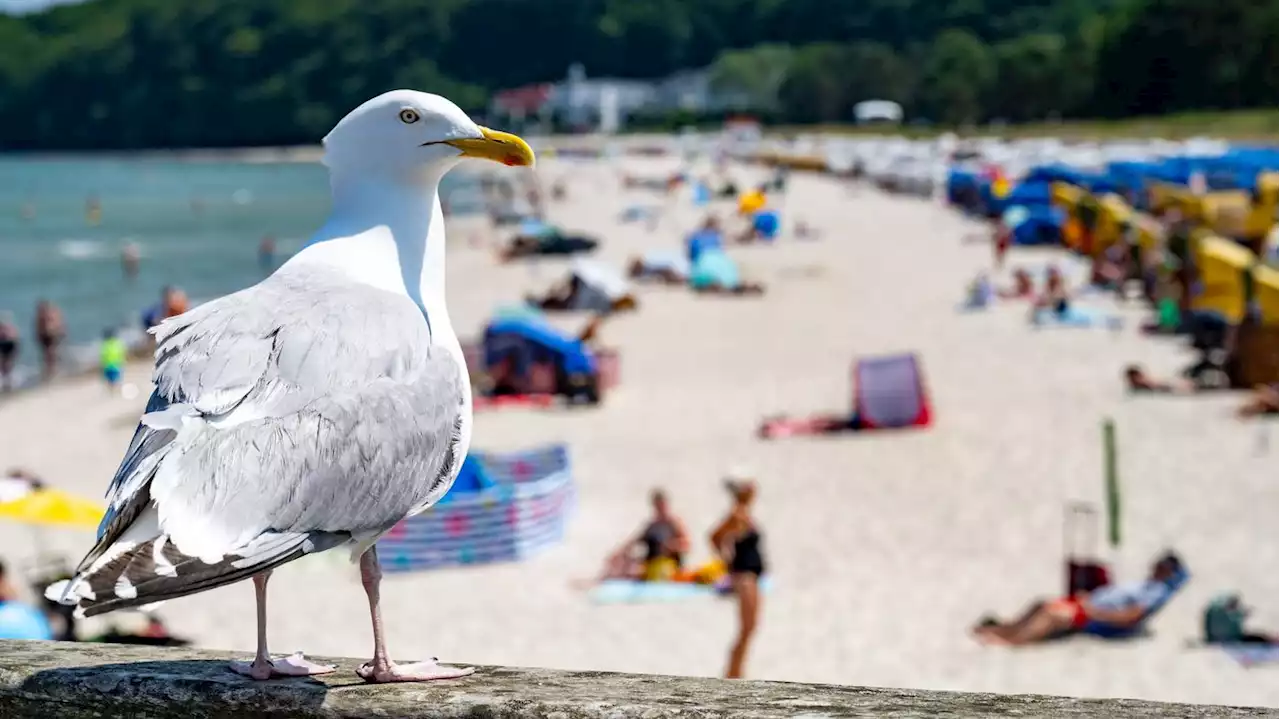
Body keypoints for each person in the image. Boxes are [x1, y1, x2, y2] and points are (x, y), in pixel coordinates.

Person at [973, 552, 1185, 646]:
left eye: (1161, 564)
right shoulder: (1147, 584)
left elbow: (1130, 617)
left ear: (1167, 571)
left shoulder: (1155, 592)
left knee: (1051, 613)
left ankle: (1014, 640)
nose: (1154, 565)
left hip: (1094, 617)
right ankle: (1005, 629)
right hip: (1088, 605)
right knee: (1042, 603)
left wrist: (1093, 611)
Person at [710, 476, 766, 679]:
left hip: (751, 576)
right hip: (744, 576)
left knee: (750, 628)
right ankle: (733, 674)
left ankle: (736, 672)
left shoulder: (744, 513)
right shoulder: (736, 514)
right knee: (746, 628)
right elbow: (714, 536)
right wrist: (727, 562)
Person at [598, 489, 691, 582]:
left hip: (669, 564)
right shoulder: (652, 525)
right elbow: (634, 541)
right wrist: (618, 553)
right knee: (625, 565)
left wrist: (670, 546)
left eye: (662, 505)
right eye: (657, 506)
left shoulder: (674, 523)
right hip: (651, 564)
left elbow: (687, 545)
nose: (660, 509)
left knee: (656, 570)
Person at [34, 299, 64, 382]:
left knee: (52, 353)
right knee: (47, 354)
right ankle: (50, 371)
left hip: (52, 334)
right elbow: (37, 328)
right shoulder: (41, 316)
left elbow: (59, 323)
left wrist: (60, 331)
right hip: (45, 335)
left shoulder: (52, 313)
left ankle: (53, 371)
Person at [0, 312, 18, 392]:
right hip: (5, 346)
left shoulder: (10, 329)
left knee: (7, 363)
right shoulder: (9, 329)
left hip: (9, 345)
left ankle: (8, 381)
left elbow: (15, 341)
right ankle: (6, 380)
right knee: (5, 363)